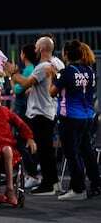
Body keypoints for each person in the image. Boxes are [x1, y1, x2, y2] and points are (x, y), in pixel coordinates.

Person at [5, 36, 60, 195]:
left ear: (42, 49)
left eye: (36, 47)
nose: (34, 50)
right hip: (49, 111)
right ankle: (53, 183)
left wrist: (12, 73)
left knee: (43, 150)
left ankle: (47, 185)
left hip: (41, 113)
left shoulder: (42, 66)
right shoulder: (56, 63)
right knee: (46, 150)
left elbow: (24, 84)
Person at [50, 40, 101, 200]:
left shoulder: (67, 71)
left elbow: (52, 92)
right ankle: (96, 184)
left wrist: (52, 77)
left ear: (66, 54)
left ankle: (78, 189)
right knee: (87, 152)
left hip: (70, 118)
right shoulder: (89, 70)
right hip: (87, 117)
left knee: (72, 153)